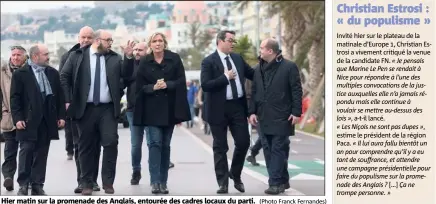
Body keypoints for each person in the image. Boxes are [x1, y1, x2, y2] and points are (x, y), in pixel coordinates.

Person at [60, 30, 125, 195]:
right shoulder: (77, 56)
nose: (111, 43)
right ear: (97, 40)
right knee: (85, 146)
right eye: (108, 40)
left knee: (110, 142)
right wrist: (68, 100)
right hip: (85, 108)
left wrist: (129, 59)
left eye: (111, 40)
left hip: (108, 108)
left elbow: (127, 77)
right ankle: (87, 182)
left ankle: (108, 181)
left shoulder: (115, 58)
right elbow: (64, 76)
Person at [133, 32, 190, 194]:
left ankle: (163, 182)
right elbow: (139, 87)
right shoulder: (144, 61)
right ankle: (154, 181)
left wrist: (167, 85)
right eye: (154, 41)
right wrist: (153, 87)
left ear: (164, 43)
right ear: (150, 45)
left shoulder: (175, 58)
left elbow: (180, 81)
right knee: (155, 143)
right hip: (151, 110)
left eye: (160, 41)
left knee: (165, 146)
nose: (157, 44)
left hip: (170, 109)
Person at [200, 30, 254, 194]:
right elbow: (206, 85)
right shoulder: (208, 61)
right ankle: (223, 183)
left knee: (244, 142)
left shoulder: (237, 58)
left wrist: (269, 65)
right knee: (220, 146)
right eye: (230, 40)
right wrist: (225, 77)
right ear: (220, 41)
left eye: (234, 41)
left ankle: (235, 174)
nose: (233, 43)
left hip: (237, 106)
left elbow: (253, 74)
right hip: (218, 109)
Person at [248, 38, 302, 195]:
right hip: (263, 116)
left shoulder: (289, 67)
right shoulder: (258, 69)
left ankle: (274, 183)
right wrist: (251, 112)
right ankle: (283, 180)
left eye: (262, 48)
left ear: (270, 51)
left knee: (278, 148)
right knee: (268, 149)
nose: (260, 51)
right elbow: (254, 92)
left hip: (283, 115)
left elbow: (296, 90)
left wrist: (296, 112)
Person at [10, 44, 66, 195]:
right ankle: (23, 184)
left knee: (42, 153)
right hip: (27, 120)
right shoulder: (20, 74)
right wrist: (18, 118)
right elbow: (15, 99)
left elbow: (60, 97)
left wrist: (61, 116)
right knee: (26, 151)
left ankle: (37, 184)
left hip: (47, 120)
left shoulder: (52, 73)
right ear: (35, 56)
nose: (48, 57)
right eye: (45, 54)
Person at [59, 26, 101, 193]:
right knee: (80, 145)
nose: (85, 40)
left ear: (94, 39)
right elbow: (63, 79)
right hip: (76, 109)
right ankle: (82, 180)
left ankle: (93, 180)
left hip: (96, 108)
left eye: (89, 37)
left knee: (96, 145)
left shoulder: (100, 55)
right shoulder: (68, 56)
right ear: (78, 38)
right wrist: (67, 101)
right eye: (83, 37)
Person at [1, 45, 28, 192]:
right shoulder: (3, 71)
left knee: (26, 151)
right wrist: (3, 112)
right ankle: (8, 177)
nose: (16, 57)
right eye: (13, 55)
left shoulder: (30, 70)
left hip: (26, 118)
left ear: (25, 56)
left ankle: (25, 180)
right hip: (8, 116)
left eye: (19, 55)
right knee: (10, 150)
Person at [121, 40, 148, 185]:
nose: (137, 52)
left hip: (151, 110)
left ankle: (156, 173)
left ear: (147, 51)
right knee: (136, 145)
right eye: (135, 50)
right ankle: (136, 170)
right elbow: (124, 78)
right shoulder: (130, 65)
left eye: (140, 50)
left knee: (153, 142)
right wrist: (127, 57)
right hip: (133, 110)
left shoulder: (150, 65)